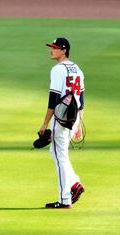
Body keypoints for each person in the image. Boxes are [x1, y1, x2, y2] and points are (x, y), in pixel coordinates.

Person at [39, 37, 85, 209]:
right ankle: (75, 184)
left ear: (64, 50)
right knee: (57, 153)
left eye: (56, 48)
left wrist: (44, 124)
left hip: (62, 117)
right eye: (52, 47)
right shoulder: (77, 69)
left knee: (60, 158)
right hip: (74, 116)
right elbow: (82, 98)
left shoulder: (58, 69)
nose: (52, 50)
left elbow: (53, 99)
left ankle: (64, 199)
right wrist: (79, 123)